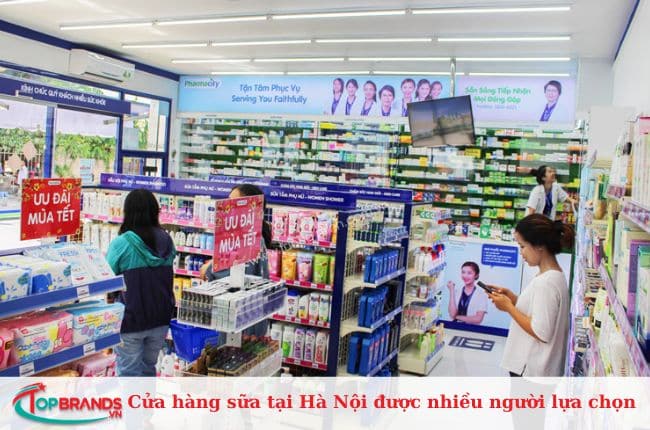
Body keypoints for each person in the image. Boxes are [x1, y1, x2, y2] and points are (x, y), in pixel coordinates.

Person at [489, 214, 574, 376]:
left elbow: (541, 331)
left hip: (531, 370)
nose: (521, 253)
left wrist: (509, 308)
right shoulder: (553, 275)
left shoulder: (546, 283)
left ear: (539, 245)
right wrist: (513, 298)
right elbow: (539, 311)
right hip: (539, 370)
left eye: (522, 246)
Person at [106, 189, 176, 376]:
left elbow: (107, 276)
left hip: (131, 319)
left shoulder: (121, 243)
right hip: (160, 318)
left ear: (128, 212)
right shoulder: (167, 240)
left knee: (128, 374)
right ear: (154, 211)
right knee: (148, 369)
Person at [200, 184, 271, 281]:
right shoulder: (246, 235)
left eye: (233, 202)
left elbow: (237, 277)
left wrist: (209, 269)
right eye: (228, 201)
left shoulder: (249, 239)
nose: (227, 206)